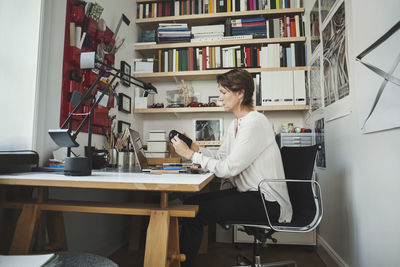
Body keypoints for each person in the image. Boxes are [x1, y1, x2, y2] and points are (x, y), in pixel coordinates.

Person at [171, 69, 292, 267]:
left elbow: (228, 169)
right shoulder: (236, 124)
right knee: (189, 204)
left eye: (223, 92)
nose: (220, 98)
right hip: (249, 194)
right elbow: (221, 157)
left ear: (240, 93)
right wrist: (195, 147)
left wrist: (190, 155)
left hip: (267, 203)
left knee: (193, 213)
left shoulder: (255, 123)